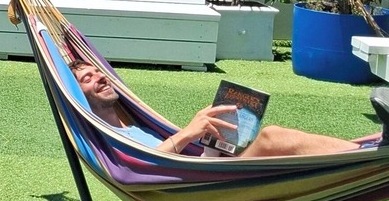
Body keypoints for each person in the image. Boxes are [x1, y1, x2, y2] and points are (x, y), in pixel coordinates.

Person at [68, 60, 384, 157]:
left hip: (207, 168)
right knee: (272, 138)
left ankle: (368, 146)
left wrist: (213, 138)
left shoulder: (133, 125)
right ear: (77, 95)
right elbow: (137, 167)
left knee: (260, 134)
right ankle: (369, 153)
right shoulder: (102, 136)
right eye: (86, 79)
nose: (98, 77)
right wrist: (190, 131)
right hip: (190, 189)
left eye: (98, 73)